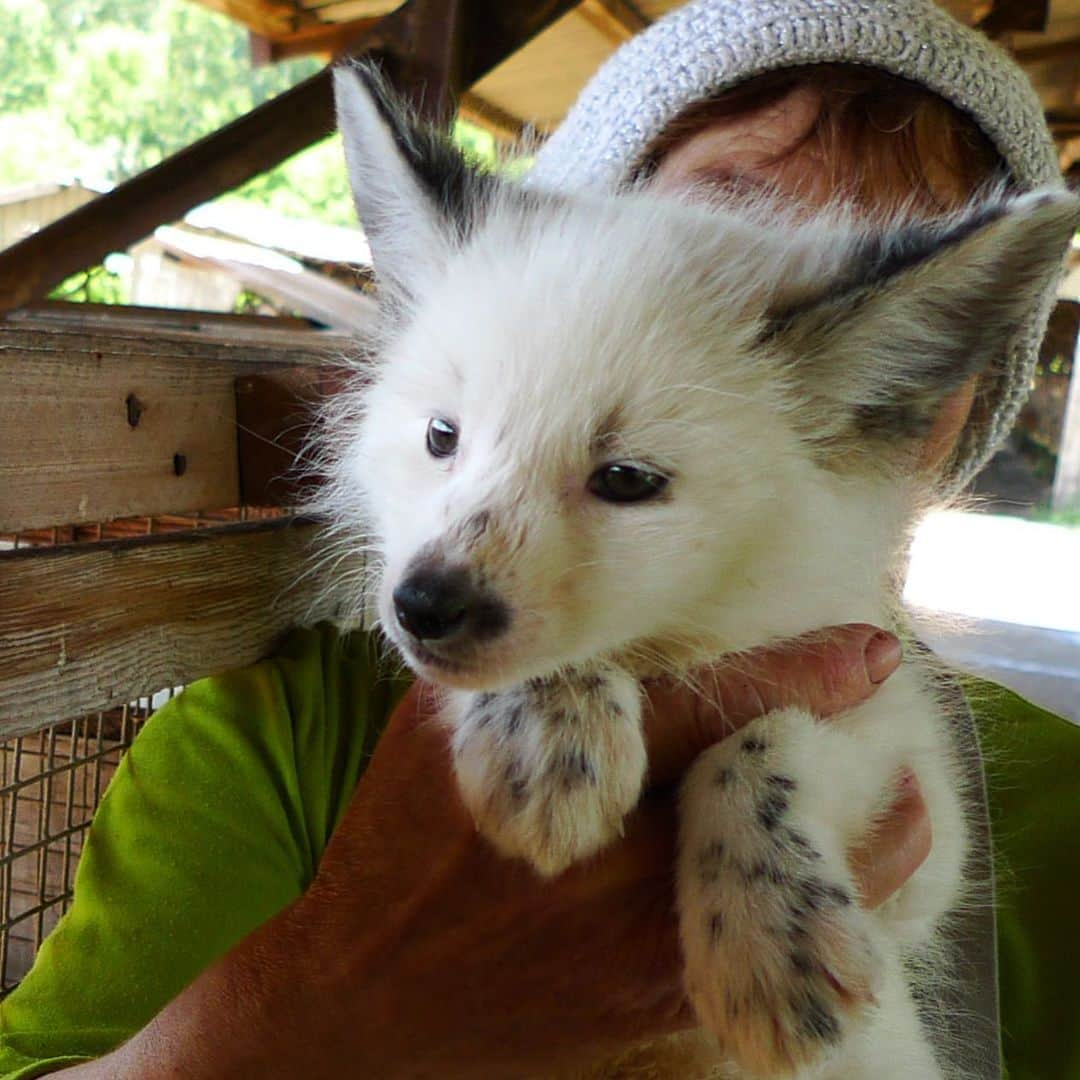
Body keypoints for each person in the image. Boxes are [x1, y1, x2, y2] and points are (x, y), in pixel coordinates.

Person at [2, 1, 1077, 1077]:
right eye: (729, 213)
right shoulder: (274, 737)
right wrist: (326, 1001)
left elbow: (903, 846)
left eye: (624, 478)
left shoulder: (1052, 799)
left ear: (909, 395)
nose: (458, 562)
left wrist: (758, 786)